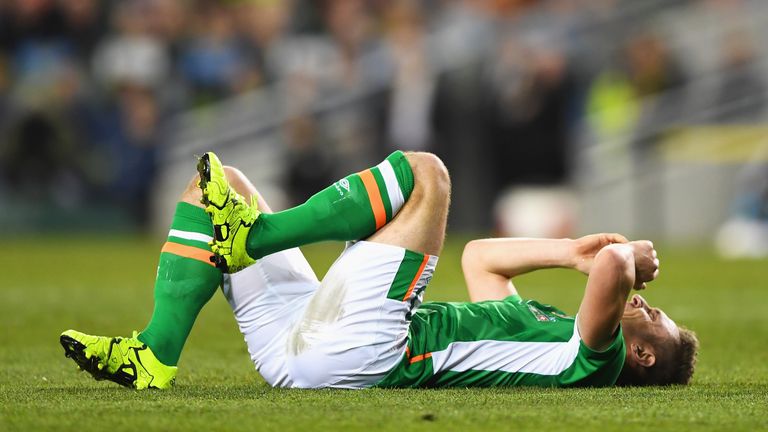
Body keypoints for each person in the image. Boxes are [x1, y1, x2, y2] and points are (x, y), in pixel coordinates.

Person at [60, 150, 698, 389]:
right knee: (221, 184)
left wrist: (629, 260)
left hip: (369, 351)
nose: (649, 307)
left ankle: (251, 237)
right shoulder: (544, 326)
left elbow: (617, 266)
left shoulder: (595, 359)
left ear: (642, 356)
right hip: (310, 343)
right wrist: (567, 253)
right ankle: (155, 354)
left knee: (428, 175)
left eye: (658, 320)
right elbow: (479, 257)